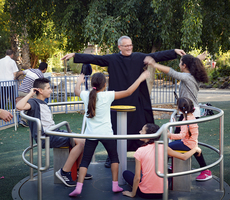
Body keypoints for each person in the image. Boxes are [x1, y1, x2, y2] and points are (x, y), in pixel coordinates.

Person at [61, 36, 186, 167]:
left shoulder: (138, 57)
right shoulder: (113, 58)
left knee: (139, 126)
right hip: (117, 98)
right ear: (119, 47)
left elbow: (155, 55)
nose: (129, 48)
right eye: (126, 46)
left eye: (130, 45)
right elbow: (95, 58)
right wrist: (75, 55)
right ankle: (112, 156)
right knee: (114, 128)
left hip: (135, 98)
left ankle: (143, 154)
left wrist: (173, 52)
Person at [68, 70, 150, 197]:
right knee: (114, 158)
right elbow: (128, 92)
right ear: (105, 85)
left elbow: (76, 91)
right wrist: (141, 78)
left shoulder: (86, 95)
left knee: (85, 160)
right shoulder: (108, 95)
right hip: (107, 133)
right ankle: (115, 185)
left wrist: (79, 81)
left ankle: (79, 187)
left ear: (92, 84)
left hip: (91, 134)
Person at [16, 78, 92, 187]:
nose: (51, 90)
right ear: (40, 91)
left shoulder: (43, 103)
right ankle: (64, 172)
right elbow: (19, 106)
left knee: (85, 140)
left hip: (54, 132)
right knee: (81, 143)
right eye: (48, 88)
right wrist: (30, 94)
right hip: (47, 136)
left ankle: (79, 169)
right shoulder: (34, 102)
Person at [122, 123, 201, 198]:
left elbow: (137, 178)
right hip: (163, 193)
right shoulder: (163, 147)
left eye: (142, 131)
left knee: (126, 173)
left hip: (145, 194)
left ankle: (139, 188)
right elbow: (184, 157)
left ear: (148, 135)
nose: (139, 132)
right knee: (168, 172)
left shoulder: (139, 151)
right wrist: (195, 149)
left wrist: (132, 194)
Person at [144, 53, 208, 133]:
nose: (179, 64)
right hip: (190, 111)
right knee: (182, 136)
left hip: (190, 112)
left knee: (180, 136)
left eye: (180, 62)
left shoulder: (187, 77)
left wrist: (154, 64)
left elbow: (172, 72)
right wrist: (197, 58)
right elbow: (192, 62)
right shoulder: (192, 76)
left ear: (184, 65)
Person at [167, 97, 212, 181]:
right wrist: (175, 124)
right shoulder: (190, 116)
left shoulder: (186, 119)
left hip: (187, 144)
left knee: (166, 148)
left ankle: (165, 169)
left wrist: (170, 135)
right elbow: (185, 128)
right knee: (196, 152)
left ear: (180, 109)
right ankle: (205, 171)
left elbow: (181, 135)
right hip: (191, 142)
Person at [15, 62, 48, 127]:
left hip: (20, 91)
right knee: (37, 101)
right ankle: (28, 119)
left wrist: (16, 78)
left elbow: (19, 73)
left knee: (26, 103)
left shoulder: (31, 70)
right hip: (28, 93)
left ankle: (23, 119)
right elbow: (40, 87)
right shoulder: (40, 76)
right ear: (45, 69)